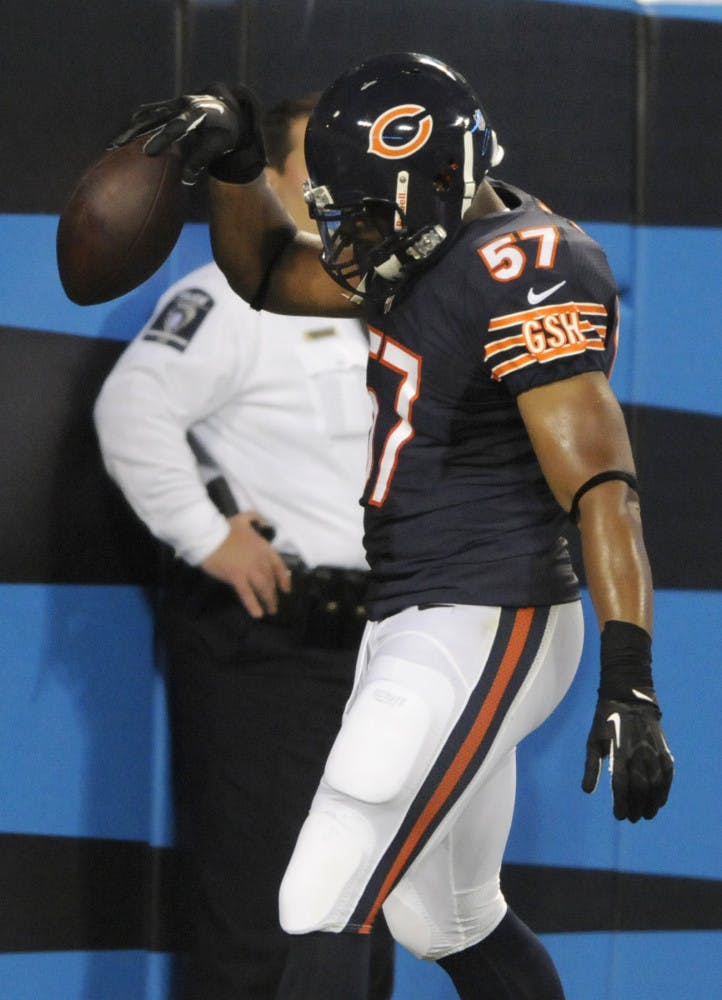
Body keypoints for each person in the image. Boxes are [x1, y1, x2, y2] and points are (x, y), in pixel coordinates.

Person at [108, 53, 675, 1000]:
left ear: (436, 186)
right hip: (417, 609)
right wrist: (242, 166)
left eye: (364, 211)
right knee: (442, 916)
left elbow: (604, 489)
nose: (343, 236)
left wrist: (633, 679)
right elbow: (267, 272)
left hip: (489, 609)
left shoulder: (525, 267)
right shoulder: (434, 239)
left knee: (324, 889)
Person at [94, 96, 395, 1000]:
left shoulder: (391, 300)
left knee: (353, 928)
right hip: (272, 649)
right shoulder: (226, 295)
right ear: (266, 183)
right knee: (264, 930)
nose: (344, 194)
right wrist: (204, 535)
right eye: (320, 172)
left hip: (382, 656)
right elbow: (132, 410)